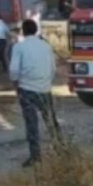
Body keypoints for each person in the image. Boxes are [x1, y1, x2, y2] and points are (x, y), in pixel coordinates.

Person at [8, 19, 61, 167]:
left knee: (32, 123)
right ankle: (61, 149)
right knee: (51, 121)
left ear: (23, 31)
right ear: (36, 30)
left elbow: (13, 70)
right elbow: (53, 67)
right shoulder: (46, 46)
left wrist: (16, 85)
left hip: (27, 89)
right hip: (45, 88)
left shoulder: (19, 47)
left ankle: (35, 156)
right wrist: (47, 82)